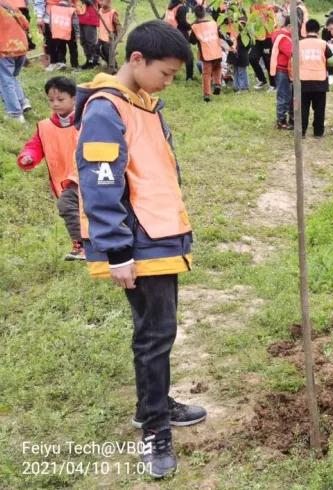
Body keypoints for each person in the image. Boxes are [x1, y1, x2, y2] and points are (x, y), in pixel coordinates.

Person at [74, 20, 206, 479]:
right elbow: (101, 184)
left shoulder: (144, 104)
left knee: (156, 333)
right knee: (154, 338)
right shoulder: (106, 110)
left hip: (160, 236)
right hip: (140, 244)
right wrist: (116, 252)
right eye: (166, 73)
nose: (168, 82)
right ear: (136, 60)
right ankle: (155, 431)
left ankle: (154, 403)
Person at [17, 77, 83, 260]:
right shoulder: (45, 127)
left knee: (68, 206)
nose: (55, 104)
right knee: (78, 211)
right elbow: (35, 146)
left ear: (74, 98)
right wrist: (27, 157)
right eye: (51, 100)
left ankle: (82, 246)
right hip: (63, 180)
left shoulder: (88, 119)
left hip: (86, 176)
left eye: (60, 99)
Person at [297, 18, 331, 137]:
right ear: (318, 30)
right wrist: (330, 74)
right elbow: (331, 61)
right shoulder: (323, 44)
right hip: (320, 80)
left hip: (302, 80)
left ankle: (301, 131)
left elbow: (293, 61)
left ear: (305, 30)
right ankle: (318, 132)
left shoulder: (299, 44)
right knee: (320, 109)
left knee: (303, 109)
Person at [0, 0, 30, 122]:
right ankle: (23, 102)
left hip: (5, 48)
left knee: (5, 81)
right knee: (11, 77)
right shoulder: (8, 5)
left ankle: (15, 114)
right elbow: (26, 24)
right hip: (21, 46)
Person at [189, 4, 222, 101]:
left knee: (206, 74)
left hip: (206, 52)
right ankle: (217, 84)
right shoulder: (213, 23)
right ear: (205, 13)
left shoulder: (195, 26)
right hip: (216, 50)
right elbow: (221, 34)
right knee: (217, 69)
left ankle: (207, 94)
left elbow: (192, 41)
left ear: (195, 14)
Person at [269, 14, 294, 128]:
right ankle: (281, 120)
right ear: (289, 25)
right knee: (284, 95)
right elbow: (292, 52)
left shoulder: (285, 36)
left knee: (288, 95)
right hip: (282, 70)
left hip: (286, 70)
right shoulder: (283, 37)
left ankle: (287, 118)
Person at [164, 0, 194, 80]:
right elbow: (182, 23)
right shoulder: (182, 8)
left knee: (173, 55)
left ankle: (170, 75)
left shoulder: (170, 6)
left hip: (169, 32)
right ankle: (189, 77)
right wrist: (191, 26)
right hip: (181, 33)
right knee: (189, 56)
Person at [248, 0, 275, 89]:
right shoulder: (253, 6)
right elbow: (251, 21)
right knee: (252, 58)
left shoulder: (268, 7)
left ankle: (273, 84)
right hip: (256, 38)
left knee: (268, 61)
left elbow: (274, 23)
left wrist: (265, 26)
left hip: (267, 38)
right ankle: (262, 80)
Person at [46, 0, 79, 69]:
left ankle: (61, 62)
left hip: (59, 32)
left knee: (61, 48)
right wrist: (77, 33)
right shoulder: (71, 9)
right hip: (70, 33)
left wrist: (53, 30)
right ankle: (74, 65)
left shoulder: (54, 8)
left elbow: (51, 22)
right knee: (73, 49)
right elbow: (75, 22)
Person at [77, 0, 100, 68]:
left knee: (91, 41)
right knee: (83, 41)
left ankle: (95, 61)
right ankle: (89, 60)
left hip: (90, 17)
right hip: (80, 16)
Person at [96, 0, 119, 66]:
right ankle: (108, 62)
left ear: (109, 2)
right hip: (101, 36)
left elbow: (118, 24)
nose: (101, 2)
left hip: (109, 37)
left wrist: (118, 37)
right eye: (101, 1)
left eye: (103, 1)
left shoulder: (112, 13)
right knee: (97, 49)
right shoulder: (100, 10)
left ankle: (114, 66)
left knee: (107, 52)